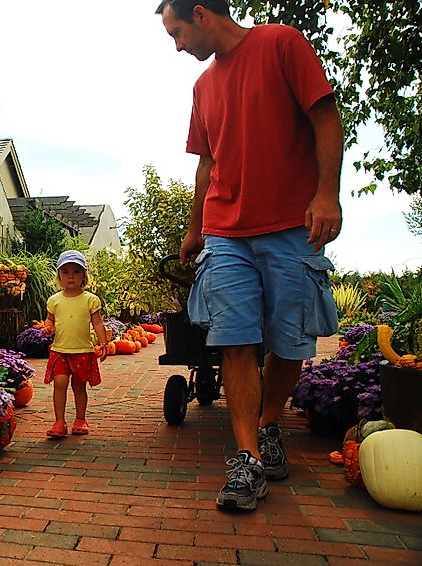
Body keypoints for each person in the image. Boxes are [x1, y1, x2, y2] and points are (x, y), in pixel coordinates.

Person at [156, 0, 343, 511]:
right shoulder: (202, 87)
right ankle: (247, 460)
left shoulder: (281, 43)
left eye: (176, 32)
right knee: (235, 339)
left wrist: (327, 195)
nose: (177, 45)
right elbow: (206, 163)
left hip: (289, 227)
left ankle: (267, 425)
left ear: (200, 14)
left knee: (289, 343)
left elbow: (326, 117)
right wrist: (194, 229)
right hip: (225, 232)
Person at [42, 250, 108, 438]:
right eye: (65, 272)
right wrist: (48, 327)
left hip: (83, 350)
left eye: (76, 271)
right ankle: (59, 422)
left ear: (84, 276)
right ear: (59, 276)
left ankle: (80, 419)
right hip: (60, 350)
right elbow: (50, 320)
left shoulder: (90, 299)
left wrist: (103, 343)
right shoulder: (54, 300)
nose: (71, 276)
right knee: (60, 383)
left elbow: (97, 323)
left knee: (79, 386)